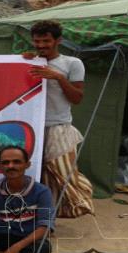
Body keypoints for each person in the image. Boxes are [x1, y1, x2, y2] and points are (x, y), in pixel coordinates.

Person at [26, 20, 94, 218]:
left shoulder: (72, 63)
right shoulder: (29, 61)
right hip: (31, 127)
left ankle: (81, 201)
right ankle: (44, 220)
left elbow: (77, 98)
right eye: (37, 41)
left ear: (58, 41)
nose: (41, 45)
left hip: (58, 126)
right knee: (35, 176)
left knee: (64, 174)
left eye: (46, 41)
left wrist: (58, 77)